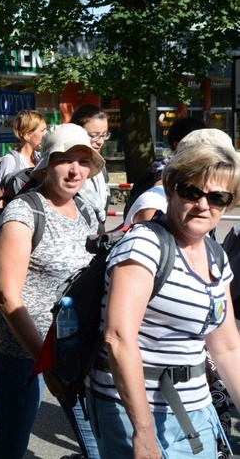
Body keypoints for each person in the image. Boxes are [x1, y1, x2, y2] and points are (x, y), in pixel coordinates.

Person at [88, 142, 240, 458]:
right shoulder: (144, 245)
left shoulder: (215, 255)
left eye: (217, 198)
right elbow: (118, 338)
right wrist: (143, 433)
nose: (203, 204)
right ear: (171, 189)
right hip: (133, 410)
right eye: (191, 191)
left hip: (196, 407)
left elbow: (226, 346)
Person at [0, 124, 103, 459]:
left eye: (82, 161)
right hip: (22, 350)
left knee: (97, 447)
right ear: (46, 164)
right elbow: (7, 298)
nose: (75, 170)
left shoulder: (86, 208)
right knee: (9, 447)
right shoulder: (23, 213)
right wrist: (47, 366)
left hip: (73, 347)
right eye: (65, 160)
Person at [0, 110, 46, 202]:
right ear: (28, 136)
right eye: (42, 130)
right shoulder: (11, 160)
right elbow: (0, 199)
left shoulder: (40, 158)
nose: (46, 133)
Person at [70, 104, 110, 231]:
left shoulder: (100, 168)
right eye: (94, 135)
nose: (100, 141)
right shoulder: (66, 170)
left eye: (104, 135)